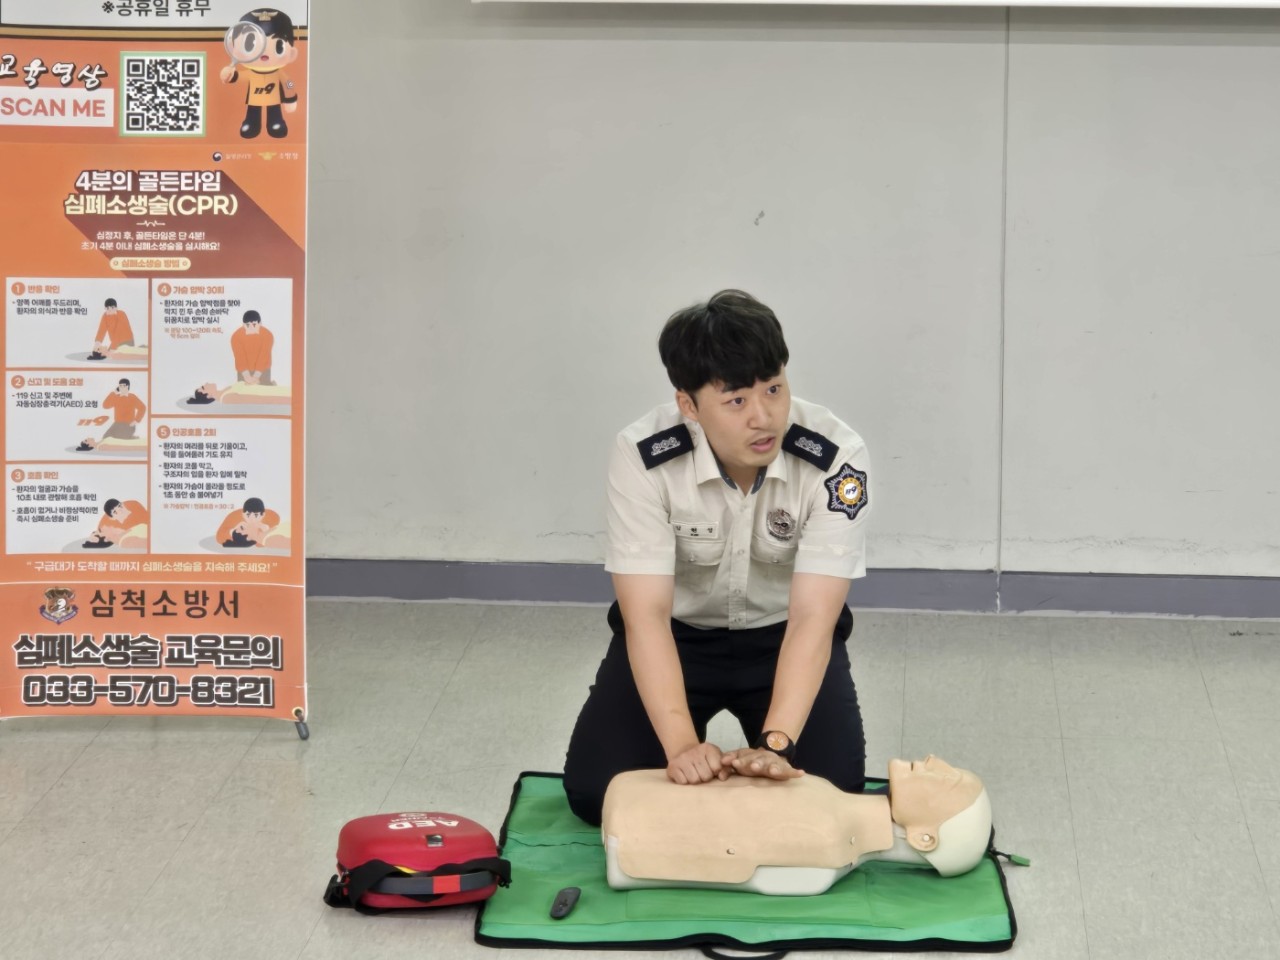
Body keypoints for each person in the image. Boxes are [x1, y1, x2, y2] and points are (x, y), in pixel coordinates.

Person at [563, 290, 872, 826]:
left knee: (832, 789)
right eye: (736, 401)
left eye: (773, 389)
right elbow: (646, 616)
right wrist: (682, 747)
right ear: (689, 405)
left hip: (782, 637)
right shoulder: (643, 456)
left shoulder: (836, 457)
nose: (763, 417)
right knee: (595, 793)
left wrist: (776, 745)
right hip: (679, 639)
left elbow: (813, 618)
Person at [602, 756, 992, 893]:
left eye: (948, 780)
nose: (934, 761)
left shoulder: (827, 849)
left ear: (925, 839)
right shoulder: (827, 806)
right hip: (632, 800)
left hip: (632, 819)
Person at [220, 8, 300, 139]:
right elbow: (239, 77)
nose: (263, 53)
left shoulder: (279, 74)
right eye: (249, 44)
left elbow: (289, 84)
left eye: (278, 46)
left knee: (274, 112)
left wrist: (290, 99)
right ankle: (252, 124)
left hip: (274, 100)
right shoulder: (251, 73)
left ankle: (276, 123)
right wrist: (230, 75)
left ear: (292, 53)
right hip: (254, 100)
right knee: (253, 112)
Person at [78, 378, 145, 450]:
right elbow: (105, 405)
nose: (121, 388)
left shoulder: (132, 397)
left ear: (127, 387)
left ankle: (133, 439)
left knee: (119, 440)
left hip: (128, 424)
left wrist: (136, 420)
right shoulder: (116, 397)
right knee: (105, 438)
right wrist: (113, 393)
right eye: (120, 386)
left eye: (123, 386)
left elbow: (142, 407)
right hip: (117, 424)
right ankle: (130, 438)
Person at [229, 309, 275, 385]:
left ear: (260, 324)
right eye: (247, 325)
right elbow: (240, 357)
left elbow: (263, 356)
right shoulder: (236, 336)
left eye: (254, 324)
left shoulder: (267, 335)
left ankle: (271, 384)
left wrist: (256, 377)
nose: (251, 327)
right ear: (243, 325)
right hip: (243, 370)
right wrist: (247, 377)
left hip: (263, 369)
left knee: (264, 388)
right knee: (243, 390)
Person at [216, 497, 280, 547]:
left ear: (262, 515)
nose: (251, 518)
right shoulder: (241, 523)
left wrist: (264, 531)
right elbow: (224, 535)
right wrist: (235, 531)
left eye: (256, 515)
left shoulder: (265, 524)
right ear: (243, 515)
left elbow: (263, 540)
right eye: (248, 515)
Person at [85, 497, 149, 547]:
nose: (120, 510)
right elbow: (99, 533)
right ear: (112, 518)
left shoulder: (134, 505)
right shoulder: (108, 525)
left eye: (120, 506)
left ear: (123, 504)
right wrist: (93, 538)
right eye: (115, 512)